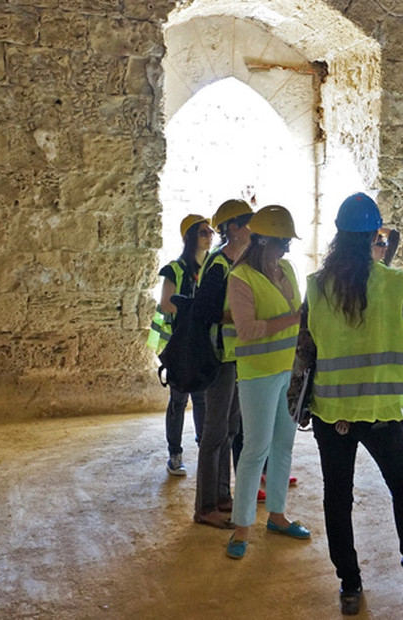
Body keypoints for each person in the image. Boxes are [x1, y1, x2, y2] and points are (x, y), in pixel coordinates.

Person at [294, 192, 403, 615]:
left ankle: (349, 588)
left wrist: (300, 405)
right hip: (382, 412)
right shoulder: (396, 282)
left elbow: (304, 353)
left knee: (337, 498)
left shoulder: (315, 286)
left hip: (334, 413)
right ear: (374, 235)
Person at [224, 206, 310, 559]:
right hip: (258, 373)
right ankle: (241, 527)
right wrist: (292, 318)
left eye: (288, 243)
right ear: (261, 241)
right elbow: (247, 330)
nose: (286, 250)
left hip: (286, 369)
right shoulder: (240, 277)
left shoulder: (287, 269)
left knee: (284, 444)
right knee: (255, 448)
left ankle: (277, 514)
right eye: (281, 243)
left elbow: (300, 314)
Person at [190, 199, 252, 530]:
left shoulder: (237, 262)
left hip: (234, 355)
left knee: (229, 429)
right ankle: (205, 506)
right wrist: (236, 315)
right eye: (247, 223)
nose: (252, 230)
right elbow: (202, 312)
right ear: (232, 228)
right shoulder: (218, 265)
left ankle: (222, 495)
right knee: (215, 431)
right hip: (219, 357)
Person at [146, 214, 212, 476]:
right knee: (178, 398)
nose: (209, 237)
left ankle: (204, 447)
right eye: (203, 233)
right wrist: (196, 307)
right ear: (190, 237)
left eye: (210, 233)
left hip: (203, 340)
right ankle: (175, 453)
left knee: (202, 397)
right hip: (180, 341)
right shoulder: (175, 268)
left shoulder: (213, 264)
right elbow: (166, 303)